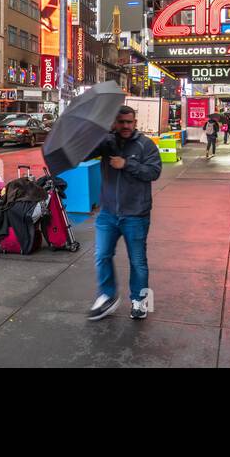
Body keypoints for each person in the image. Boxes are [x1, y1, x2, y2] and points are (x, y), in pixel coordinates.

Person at [86, 105, 162, 321]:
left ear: (135, 122)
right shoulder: (106, 143)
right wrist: (102, 134)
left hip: (136, 215)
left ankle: (139, 300)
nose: (126, 126)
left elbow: (154, 172)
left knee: (137, 260)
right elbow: (84, 154)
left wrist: (127, 164)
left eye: (129, 122)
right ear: (115, 123)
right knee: (101, 255)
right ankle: (107, 295)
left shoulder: (145, 144)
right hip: (108, 213)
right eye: (121, 122)